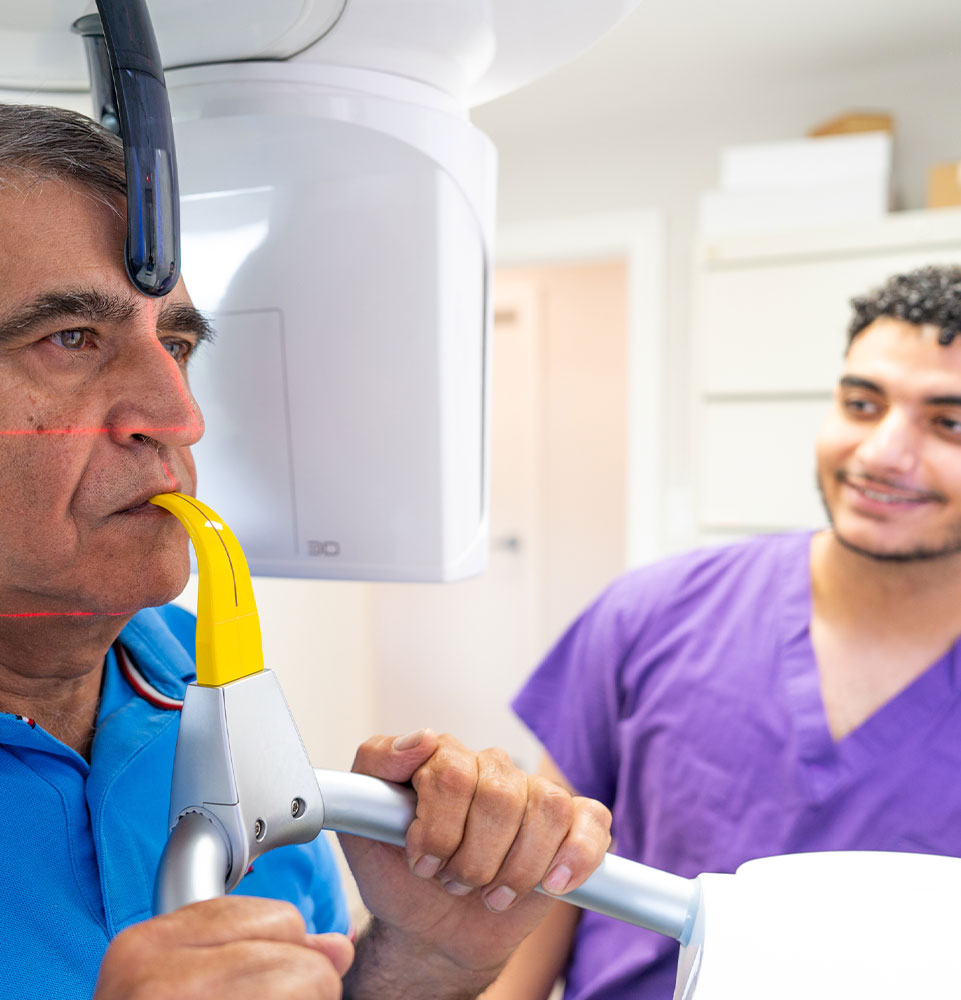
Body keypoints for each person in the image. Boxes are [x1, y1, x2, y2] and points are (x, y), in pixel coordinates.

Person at [0, 102, 613, 1000]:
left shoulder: (192, 678)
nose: (179, 417)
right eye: (70, 340)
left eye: (174, 343)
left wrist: (425, 959)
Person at [486, 264, 961, 999]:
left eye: (948, 422)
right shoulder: (650, 614)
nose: (880, 454)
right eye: (861, 404)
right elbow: (540, 889)